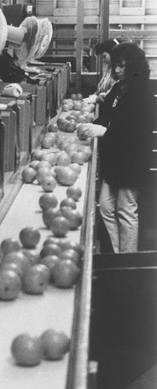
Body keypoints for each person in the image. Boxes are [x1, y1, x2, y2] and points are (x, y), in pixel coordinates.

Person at [79, 42, 155, 253]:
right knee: (105, 207)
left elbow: (133, 134)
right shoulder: (117, 89)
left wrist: (102, 131)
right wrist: (94, 125)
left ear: (133, 66)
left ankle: (126, 257)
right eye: (115, 66)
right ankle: (116, 251)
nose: (118, 70)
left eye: (122, 66)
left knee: (126, 210)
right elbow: (106, 117)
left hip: (131, 163)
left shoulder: (143, 96)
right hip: (114, 161)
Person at [86, 38, 120, 104]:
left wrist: (96, 98)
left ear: (113, 53)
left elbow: (114, 94)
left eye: (104, 56)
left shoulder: (118, 72)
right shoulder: (109, 68)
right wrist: (94, 95)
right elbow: (102, 88)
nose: (103, 60)